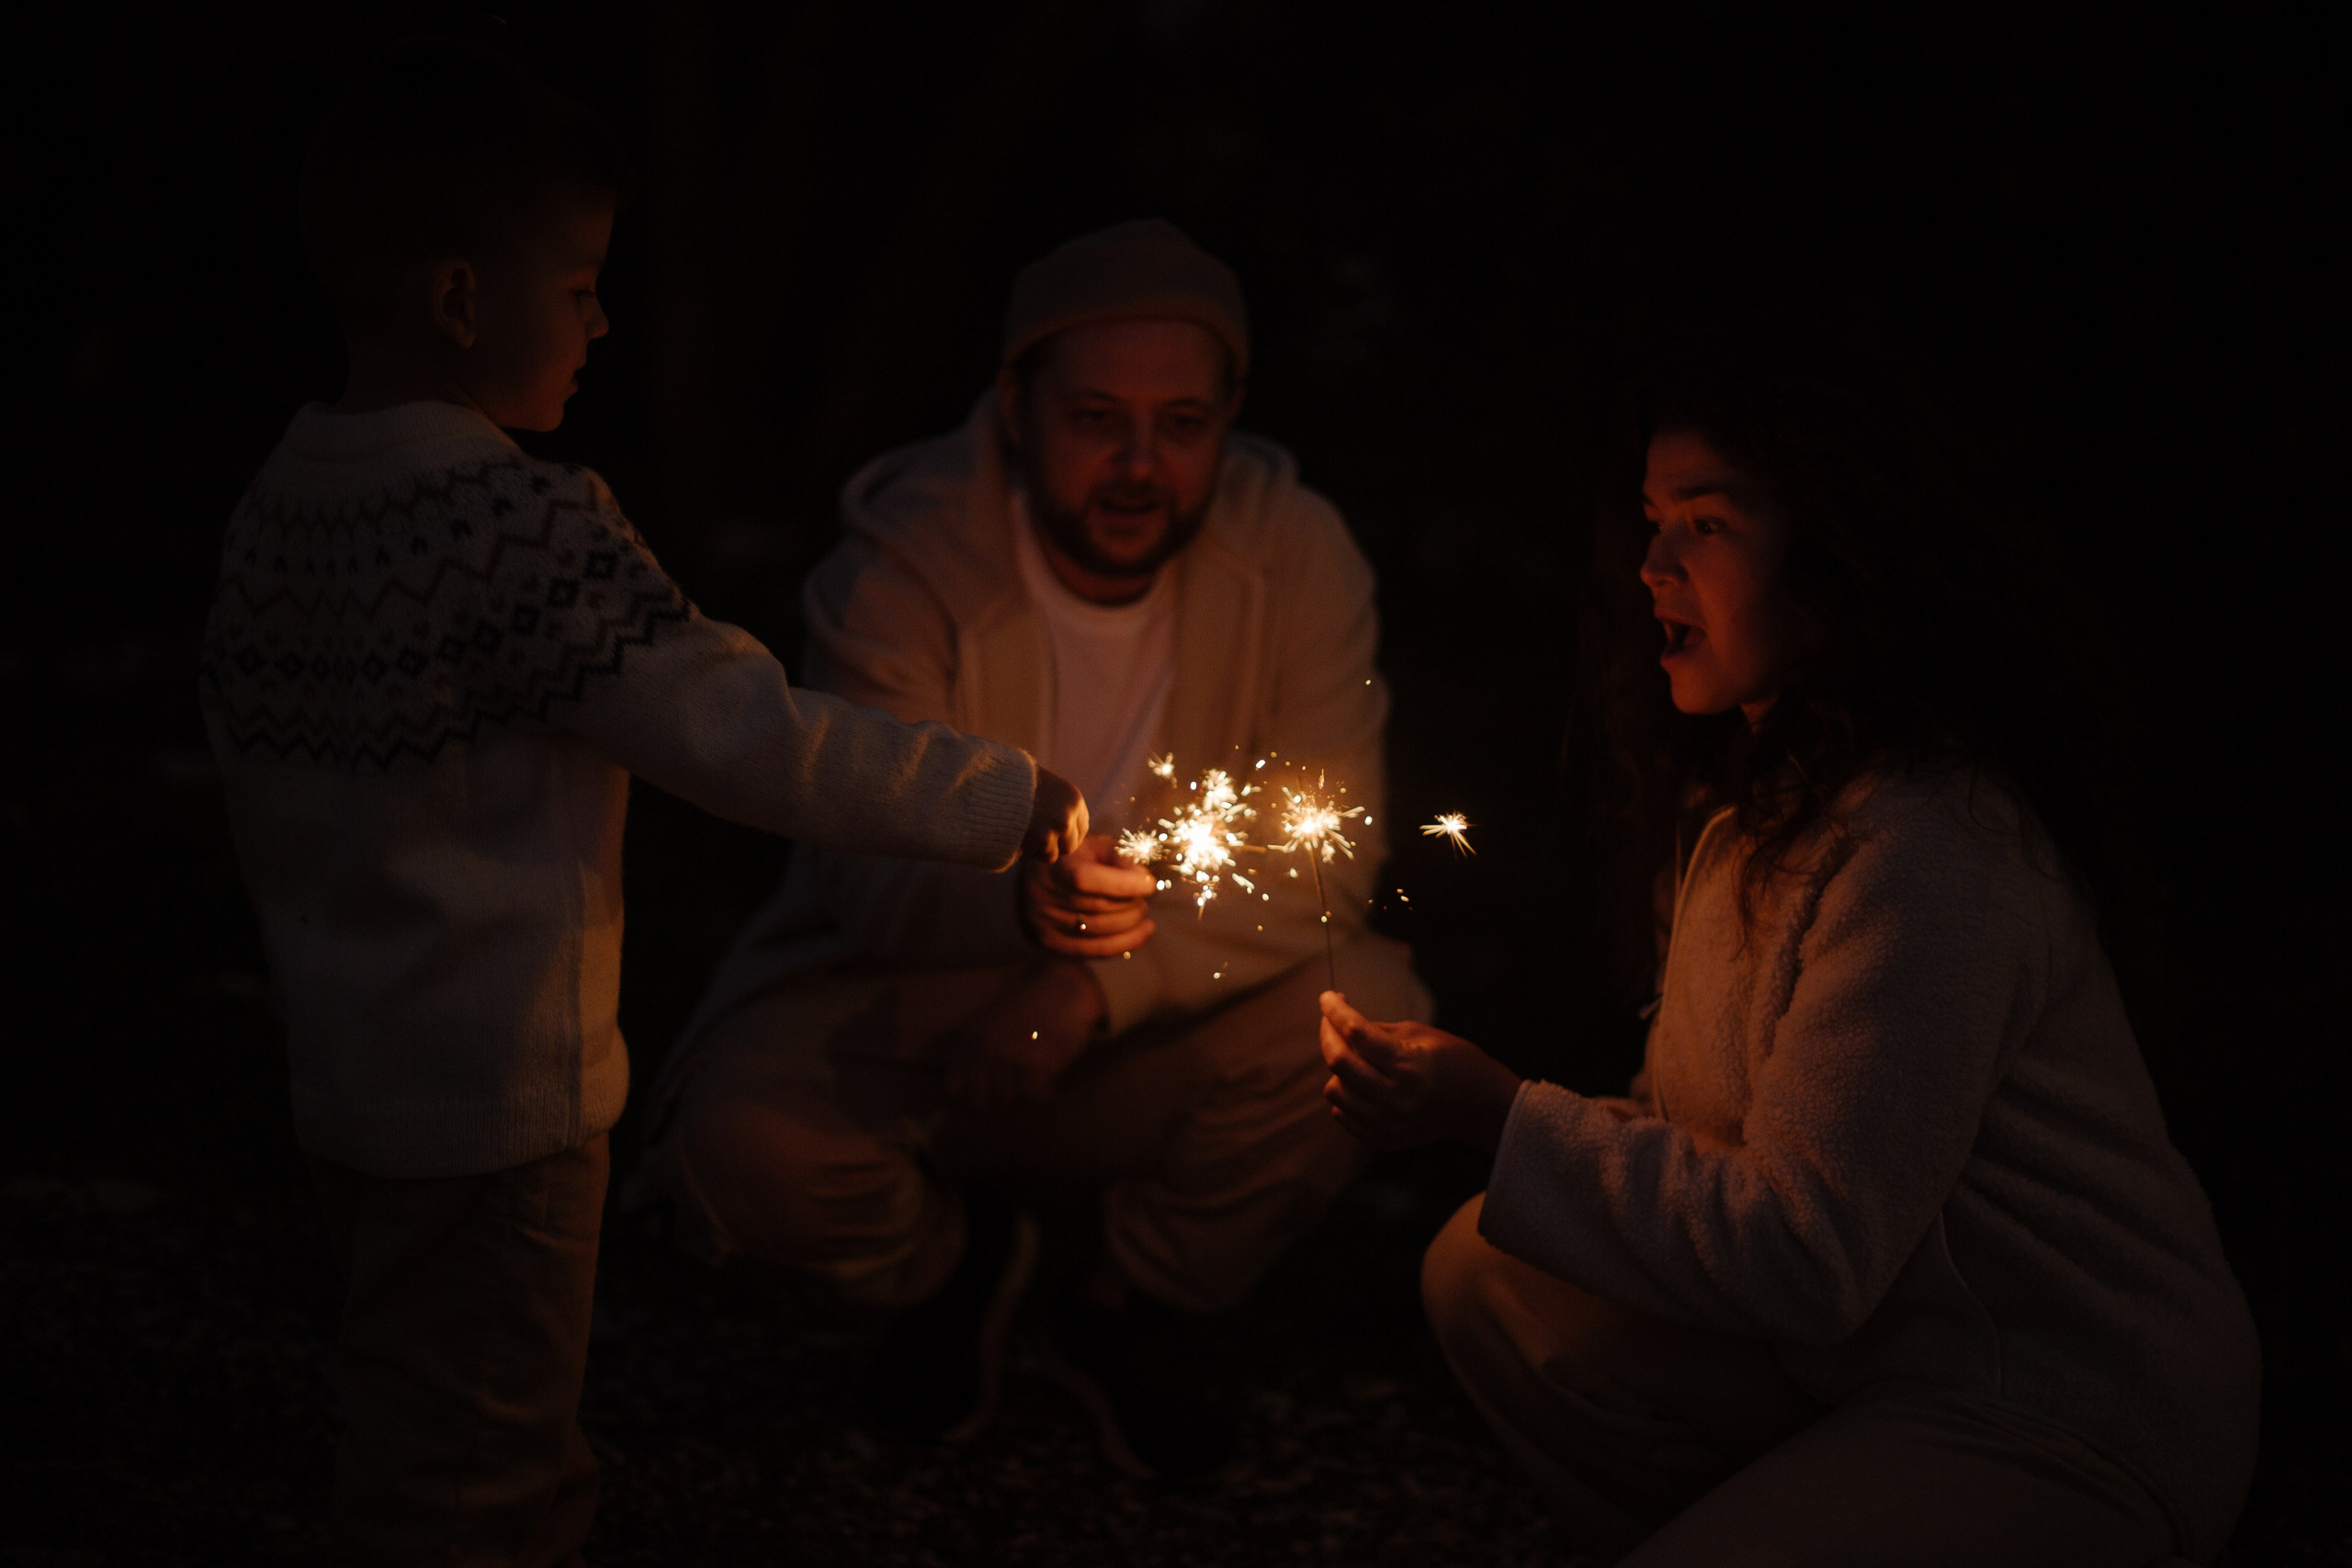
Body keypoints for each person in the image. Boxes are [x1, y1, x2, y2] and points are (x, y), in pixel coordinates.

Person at [200, 44, 1086, 1565]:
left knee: (438, 1405)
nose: (602, 321)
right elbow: (750, 740)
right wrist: (1007, 793)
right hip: (501, 1112)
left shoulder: (280, 508)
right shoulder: (517, 530)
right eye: (578, 287)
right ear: (461, 299)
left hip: (348, 1089)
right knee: (467, 1480)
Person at [1315, 367, 2261, 1564]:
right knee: (1487, 1267)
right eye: (1653, 520)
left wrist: (1498, 1115)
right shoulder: (1747, 815)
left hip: (2054, 1405)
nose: (1653, 565)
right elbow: (1708, 1153)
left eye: (1706, 524)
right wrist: (1494, 1121)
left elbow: (1806, 1251)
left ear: (1838, 556)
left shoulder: (1930, 846)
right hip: (1862, 1358)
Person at [628, 220, 1430, 1480]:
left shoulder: (1296, 556)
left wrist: (1084, 989)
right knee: (741, 1148)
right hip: (917, 1001)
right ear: (1016, 405)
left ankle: (1127, 1303)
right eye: (1097, 418)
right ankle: (949, 1271)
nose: (1139, 465)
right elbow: (860, 864)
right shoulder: (906, 563)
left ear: (1231, 418)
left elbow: (1328, 858)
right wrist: (1016, 913)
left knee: (1370, 1019)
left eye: (1182, 424)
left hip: (1143, 1013)